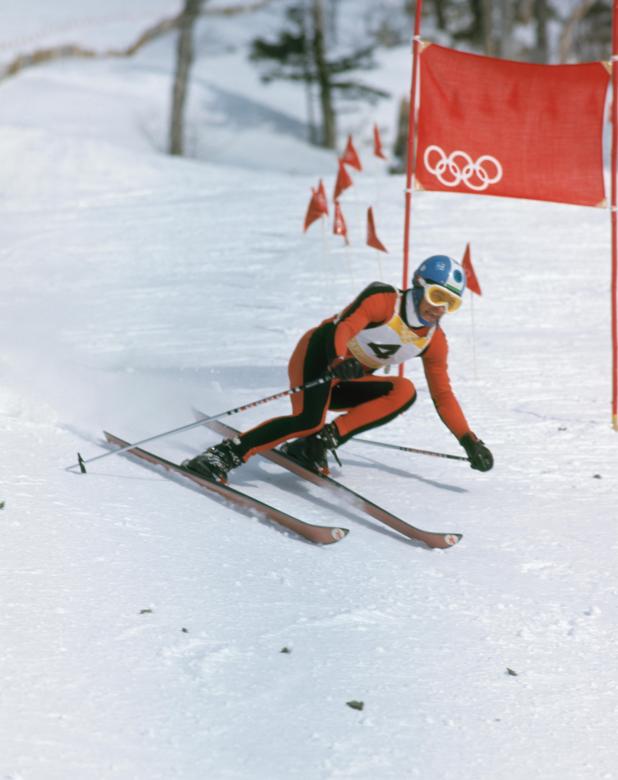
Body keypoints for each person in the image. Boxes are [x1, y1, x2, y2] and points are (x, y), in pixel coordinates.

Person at [184, 254, 493, 482]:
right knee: (307, 419)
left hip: (348, 376)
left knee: (404, 391)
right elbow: (344, 327)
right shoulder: (384, 300)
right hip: (319, 355)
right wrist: (338, 359)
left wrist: (469, 440)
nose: (439, 308)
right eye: (437, 296)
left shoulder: (434, 341)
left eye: (450, 304)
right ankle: (222, 455)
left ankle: (318, 442)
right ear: (419, 285)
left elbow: (442, 394)